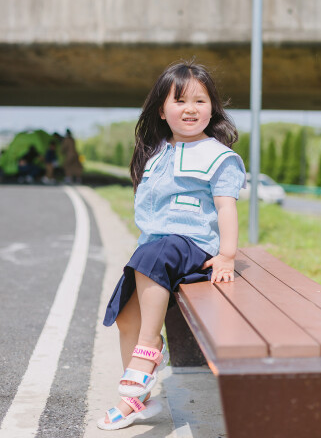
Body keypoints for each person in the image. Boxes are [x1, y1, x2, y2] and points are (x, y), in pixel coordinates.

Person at [97, 61, 246, 430]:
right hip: (154, 250)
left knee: (156, 253)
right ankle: (137, 399)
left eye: (200, 100)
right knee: (124, 316)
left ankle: (148, 351)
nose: (191, 108)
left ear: (213, 108)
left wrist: (226, 255)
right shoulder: (156, 151)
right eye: (179, 101)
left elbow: (226, 207)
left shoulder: (218, 156)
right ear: (161, 111)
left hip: (193, 244)